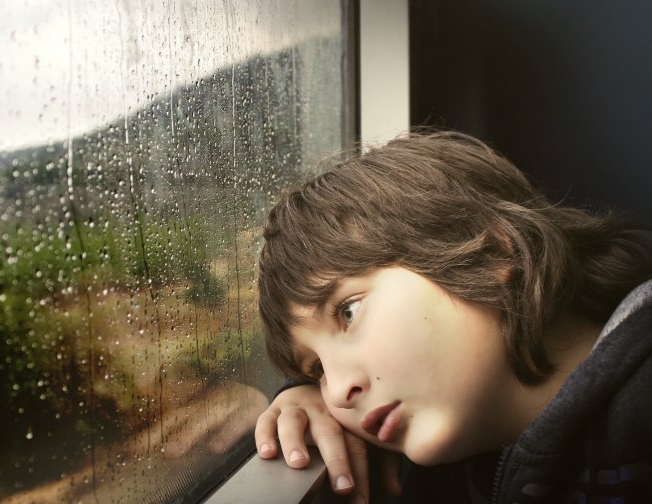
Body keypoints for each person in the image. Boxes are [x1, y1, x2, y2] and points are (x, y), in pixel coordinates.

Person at [253, 131, 652, 503]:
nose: (338, 391)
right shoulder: (460, 453)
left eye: (349, 312)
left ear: (491, 249)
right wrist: (298, 392)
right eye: (318, 367)